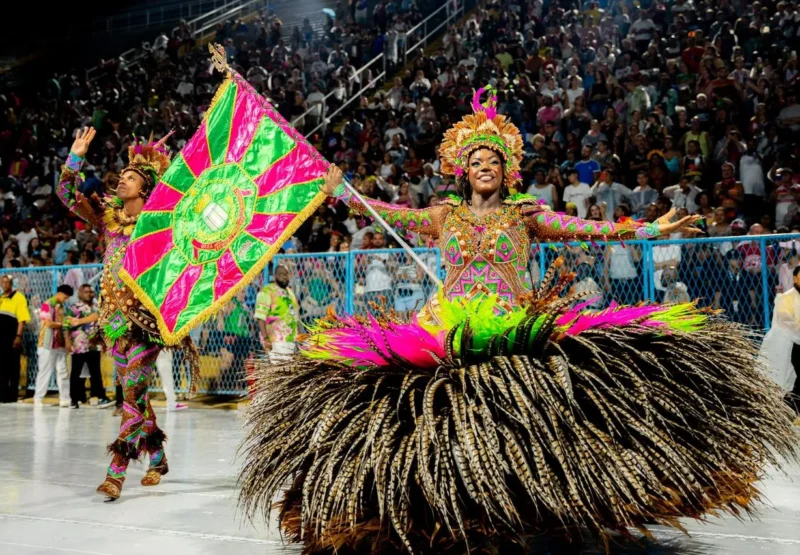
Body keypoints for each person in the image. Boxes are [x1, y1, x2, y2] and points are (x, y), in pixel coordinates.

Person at [240, 86, 796, 554]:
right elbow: (387, 213)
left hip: (515, 328)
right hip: (447, 329)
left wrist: (652, 231)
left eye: (495, 162)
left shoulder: (525, 215)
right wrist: (342, 190)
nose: (485, 168)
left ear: (508, 171)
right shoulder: (442, 215)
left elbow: (589, 232)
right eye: (476, 162)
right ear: (463, 170)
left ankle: (533, 503)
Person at [57, 127, 199, 500]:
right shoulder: (108, 221)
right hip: (113, 326)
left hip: (146, 326)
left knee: (131, 398)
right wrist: (75, 158)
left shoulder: (161, 225)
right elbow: (66, 194)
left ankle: (116, 473)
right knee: (137, 397)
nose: (122, 181)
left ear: (146, 188)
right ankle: (158, 459)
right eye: (121, 176)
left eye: (130, 177)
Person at [759, 265, 800, 415]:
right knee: (782, 385)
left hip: (793, 347)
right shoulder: (786, 299)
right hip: (785, 347)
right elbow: (788, 326)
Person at [64, 284, 113, 409]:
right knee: (76, 372)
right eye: (86, 292)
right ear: (80, 293)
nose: (89, 294)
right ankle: (74, 399)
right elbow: (66, 325)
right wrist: (67, 342)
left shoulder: (98, 307)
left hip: (94, 344)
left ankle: (100, 396)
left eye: (91, 292)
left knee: (95, 372)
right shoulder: (75, 307)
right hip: (79, 344)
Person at [33, 284, 74, 407]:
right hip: (47, 343)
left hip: (59, 343)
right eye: (65, 297)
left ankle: (65, 399)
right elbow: (49, 324)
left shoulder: (61, 307)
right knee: (45, 371)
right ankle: (38, 398)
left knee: (62, 371)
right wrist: (63, 324)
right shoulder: (46, 304)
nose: (66, 300)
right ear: (60, 293)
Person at [254, 265, 300, 364]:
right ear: (275, 276)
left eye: (286, 274)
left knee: (287, 372)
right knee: (280, 371)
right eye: (281, 274)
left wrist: (300, 336)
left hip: (291, 339)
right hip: (275, 340)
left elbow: (295, 317)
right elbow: (260, 317)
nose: (284, 277)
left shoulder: (290, 292)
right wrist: (266, 339)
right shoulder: (267, 291)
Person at [0, 275, 30, 403]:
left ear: (12, 284)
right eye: (3, 282)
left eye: (7, 282)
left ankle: (11, 395)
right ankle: (2, 394)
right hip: (0, 338)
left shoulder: (19, 297)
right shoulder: (1, 298)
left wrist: (18, 337)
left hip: (11, 336)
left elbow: (22, 320)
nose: (5, 284)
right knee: (2, 367)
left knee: (12, 367)